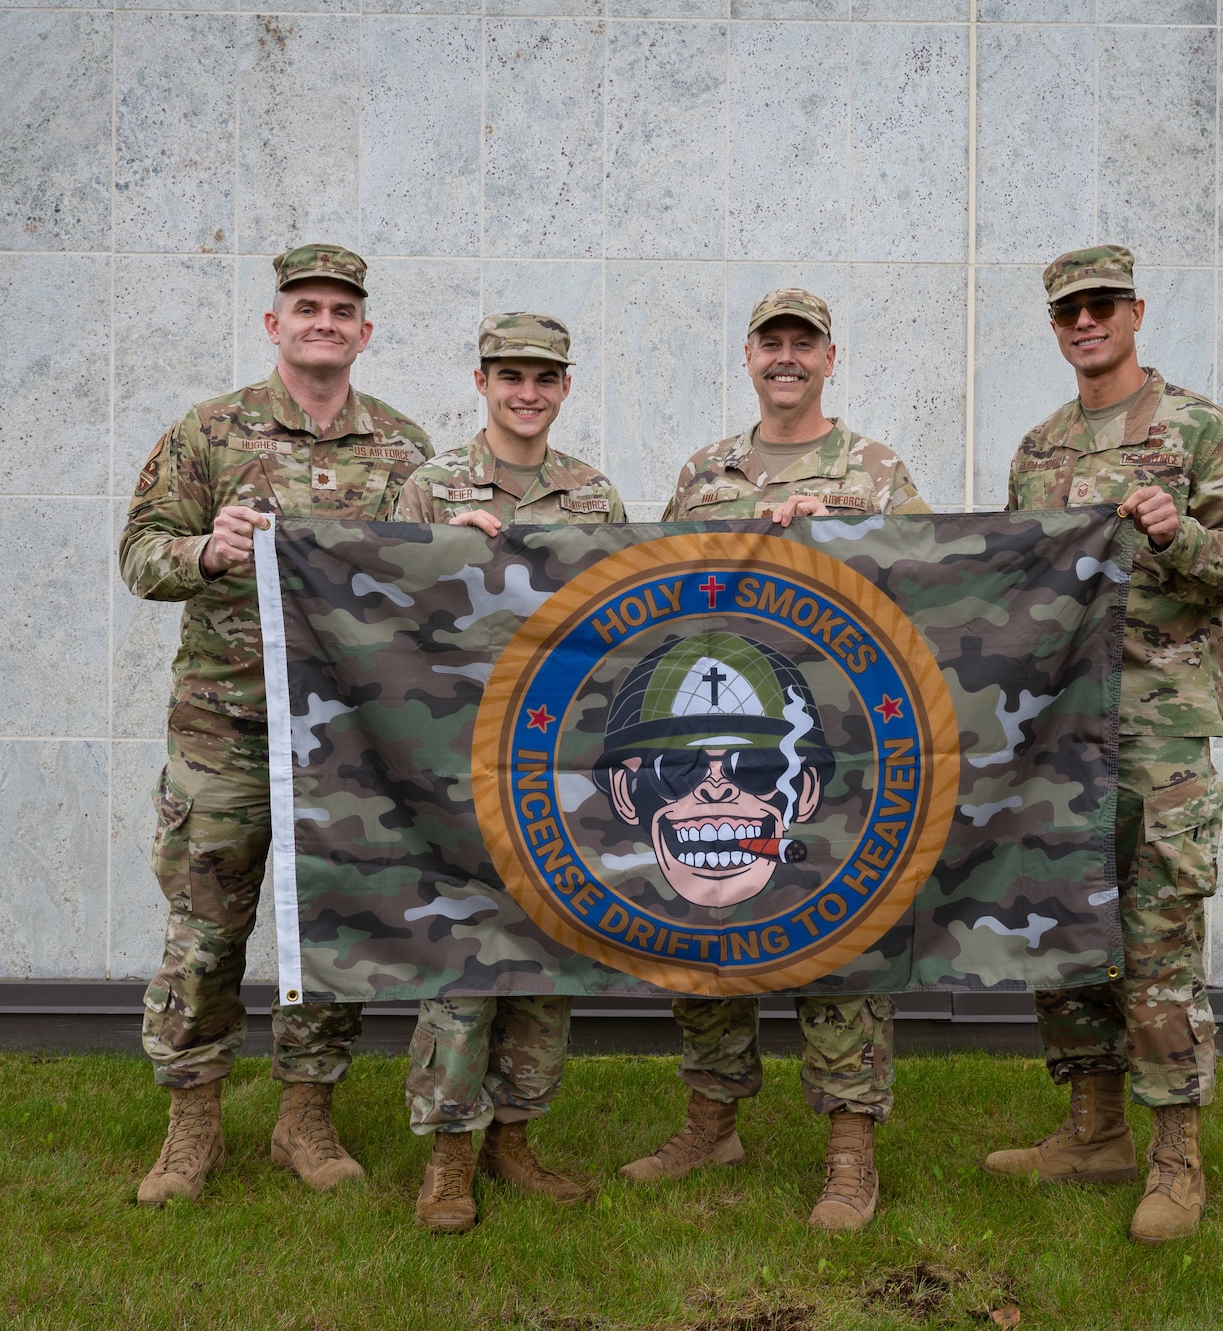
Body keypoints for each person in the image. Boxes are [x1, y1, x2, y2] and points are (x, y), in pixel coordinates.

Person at [121, 245, 434, 1206]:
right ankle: (193, 1120)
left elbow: (429, 578)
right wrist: (205, 550)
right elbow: (139, 553)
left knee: (328, 930)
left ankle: (305, 1115)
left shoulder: (403, 449)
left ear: (365, 332)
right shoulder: (209, 434)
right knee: (206, 934)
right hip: (226, 728)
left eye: (343, 309)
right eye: (307, 306)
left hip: (343, 739)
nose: (325, 322)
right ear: (275, 323)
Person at [981, 244, 1223, 1245]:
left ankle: (1174, 1152)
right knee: (1061, 927)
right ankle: (1092, 1127)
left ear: (1135, 311)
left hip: (1158, 729)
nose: (1084, 323)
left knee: (1156, 941)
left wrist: (1174, 530)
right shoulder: (1036, 451)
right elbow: (1018, 595)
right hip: (1061, 732)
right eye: (1068, 310)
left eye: (1101, 305)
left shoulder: (1194, 429)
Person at [621, 288, 930, 1233]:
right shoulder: (704, 472)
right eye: (771, 343)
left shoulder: (873, 469)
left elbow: (929, 580)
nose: (786, 357)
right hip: (706, 739)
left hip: (836, 742)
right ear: (748, 357)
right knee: (707, 923)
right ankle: (712, 1120)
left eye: (804, 343)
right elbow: (655, 590)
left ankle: (849, 1149)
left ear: (831, 357)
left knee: (840, 937)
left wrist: (841, 537)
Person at [395, 312, 627, 1234]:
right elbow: (382, 618)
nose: (527, 391)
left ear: (565, 386)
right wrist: (437, 554)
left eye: (544, 376)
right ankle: (450, 1154)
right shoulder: (430, 486)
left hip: (557, 760)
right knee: (465, 955)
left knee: (547, 948)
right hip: (455, 756)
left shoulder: (594, 495)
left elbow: (622, 616)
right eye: (510, 375)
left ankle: (516, 1135)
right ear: (481, 380)